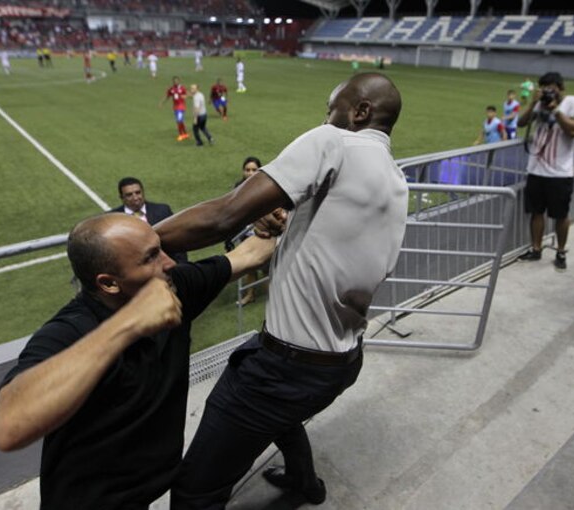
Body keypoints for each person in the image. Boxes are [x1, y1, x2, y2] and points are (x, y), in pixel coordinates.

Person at [156, 72, 408, 509]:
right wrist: (290, 224)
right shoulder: (396, 179)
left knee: (195, 488)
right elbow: (342, 244)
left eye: (331, 108)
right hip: (342, 361)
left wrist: (139, 243)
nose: (325, 117)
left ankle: (294, 481)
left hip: (284, 368)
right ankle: (304, 483)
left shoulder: (334, 141)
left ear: (360, 111)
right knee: (282, 418)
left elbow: (224, 215)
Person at [0, 213, 275, 510]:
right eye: (150, 257)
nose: (169, 263)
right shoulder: (70, 330)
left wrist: (276, 221)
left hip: (147, 488)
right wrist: (129, 323)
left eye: (160, 247)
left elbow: (249, 255)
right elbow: (7, 426)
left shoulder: (172, 286)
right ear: (109, 284)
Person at [516, 71, 574, 270]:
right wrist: (533, 104)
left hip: (560, 173)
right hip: (536, 170)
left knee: (561, 215)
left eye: (552, 87)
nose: (548, 91)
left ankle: (561, 251)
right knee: (536, 212)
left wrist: (556, 110)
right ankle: (536, 248)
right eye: (544, 87)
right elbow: (521, 123)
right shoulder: (539, 103)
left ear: (561, 88)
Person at [110, 176, 188, 264]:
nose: (135, 198)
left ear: (143, 192)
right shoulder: (113, 218)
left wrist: (181, 265)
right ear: (121, 197)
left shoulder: (162, 210)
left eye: (138, 193)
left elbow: (177, 240)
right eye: (129, 195)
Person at [224, 157, 263, 306]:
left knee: (266, 266)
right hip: (245, 233)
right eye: (247, 170)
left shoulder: (266, 187)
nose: (250, 173)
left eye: (254, 170)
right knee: (249, 266)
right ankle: (250, 294)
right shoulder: (238, 188)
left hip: (262, 233)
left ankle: (272, 295)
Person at [160, 76, 189, 142]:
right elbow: (167, 96)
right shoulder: (171, 89)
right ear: (173, 81)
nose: (175, 82)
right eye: (174, 81)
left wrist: (186, 96)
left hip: (181, 107)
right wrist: (162, 103)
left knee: (179, 120)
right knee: (180, 121)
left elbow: (187, 94)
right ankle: (185, 133)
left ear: (179, 81)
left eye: (177, 81)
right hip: (175, 107)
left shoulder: (182, 88)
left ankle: (181, 135)